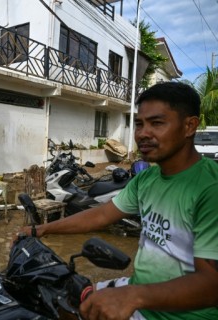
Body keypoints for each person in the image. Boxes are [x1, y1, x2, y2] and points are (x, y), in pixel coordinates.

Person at [19, 82, 218, 319]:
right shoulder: (147, 179)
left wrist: (134, 295)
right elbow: (102, 214)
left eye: (157, 123)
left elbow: (212, 285)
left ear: (189, 126)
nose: (143, 133)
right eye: (139, 124)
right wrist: (41, 229)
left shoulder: (210, 189)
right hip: (141, 295)